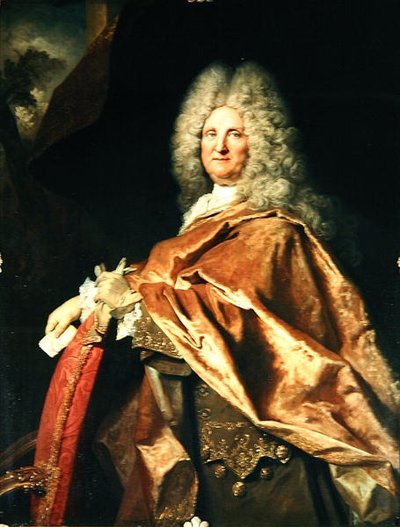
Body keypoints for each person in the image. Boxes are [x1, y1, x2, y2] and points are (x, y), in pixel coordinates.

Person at [32, 62, 398, 527]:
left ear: (260, 144)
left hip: (259, 430)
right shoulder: (200, 222)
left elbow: (240, 318)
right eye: (209, 133)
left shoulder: (276, 231)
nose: (219, 145)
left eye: (235, 134)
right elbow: (160, 279)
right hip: (191, 417)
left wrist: (131, 305)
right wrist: (84, 301)